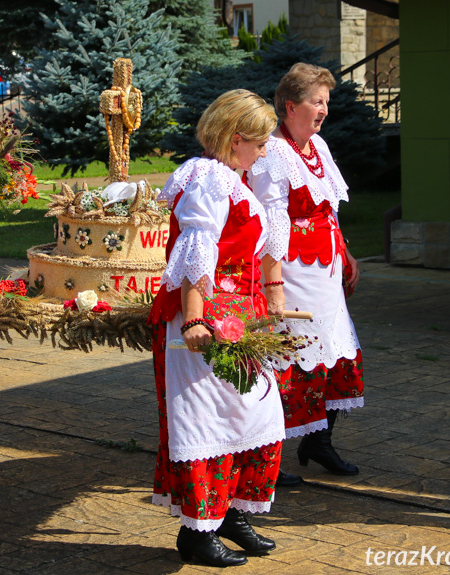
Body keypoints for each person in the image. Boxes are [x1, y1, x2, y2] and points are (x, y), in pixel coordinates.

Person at [148, 90, 286, 567]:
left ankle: (228, 515)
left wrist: (268, 299)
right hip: (205, 320)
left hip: (236, 320)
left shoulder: (232, 180)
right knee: (206, 422)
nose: (266, 151)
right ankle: (196, 530)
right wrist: (194, 316)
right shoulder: (209, 177)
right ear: (236, 139)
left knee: (254, 417)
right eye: (261, 142)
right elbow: (195, 249)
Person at [249, 63, 364, 481]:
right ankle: (270, 456)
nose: (324, 110)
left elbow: (327, 208)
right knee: (291, 361)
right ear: (290, 106)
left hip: (326, 271)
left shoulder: (319, 147)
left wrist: (346, 252)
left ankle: (319, 442)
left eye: (326, 102)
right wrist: (273, 283)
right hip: (292, 272)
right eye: (318, 101)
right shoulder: (273, 153)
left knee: (335, 355)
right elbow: (270, 222)